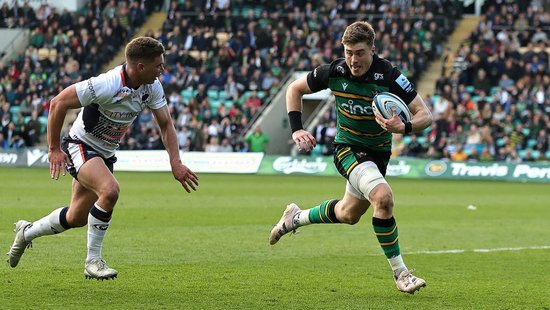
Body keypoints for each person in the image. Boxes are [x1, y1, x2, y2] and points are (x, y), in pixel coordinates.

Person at [7, 37, 199, 280]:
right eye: (158, 65)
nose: (162, 70)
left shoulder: (152, 87)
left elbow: (165, 124)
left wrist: (176, 162)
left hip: (105, 153)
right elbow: (58, 103)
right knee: (110, 191)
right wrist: (54, 148)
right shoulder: (106, 84)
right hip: (81, 146)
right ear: (140, 67)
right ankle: (93, 261)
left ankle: (27, 232)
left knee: (76, 217)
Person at [269, 21, 433, 294]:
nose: (353, 60)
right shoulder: (334, 71)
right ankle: (401, 273)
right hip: (347, 149)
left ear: (372, 49)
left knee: (348, 214)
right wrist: (297, 129)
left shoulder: (390, 76)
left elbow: (425, 115)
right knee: (383, 197)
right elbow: (293, 90)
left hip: (378, 153)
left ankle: (295, 218)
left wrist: (403, 127)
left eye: (359, 52)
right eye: (348, 52)